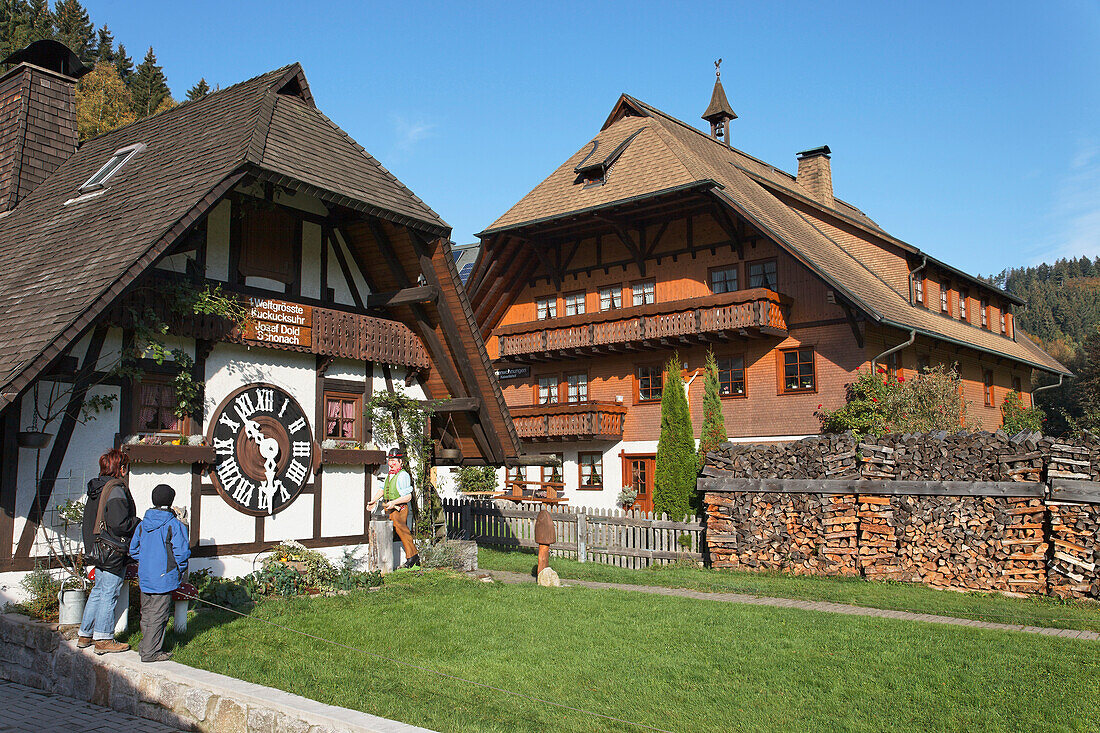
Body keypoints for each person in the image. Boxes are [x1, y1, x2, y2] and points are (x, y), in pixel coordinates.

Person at [77, 448, 139, 654]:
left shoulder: (97, 487)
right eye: (125, 467)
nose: (126, 471)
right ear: (120, 468)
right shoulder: (116, 489)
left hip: (97, 547)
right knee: (109, 593)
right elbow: (119, 523)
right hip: (112, 549)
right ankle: (103, 638)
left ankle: (85, 634)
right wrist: (138, 522)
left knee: (98, 591)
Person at [129, 484, 190, 663]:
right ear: (170, 501)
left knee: (147, 612)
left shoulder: (142, 524)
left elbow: (133, 550)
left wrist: (148, 560)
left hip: (145, 575)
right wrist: (178, 569)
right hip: (164, 576)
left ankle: (145, 646)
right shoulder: (174, 524)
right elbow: (182, 553)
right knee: (159, 614)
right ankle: (151, 652)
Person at [368, 447, 419, 568]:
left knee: (402, 529)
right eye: (390, 460)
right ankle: (411, 557)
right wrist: (374, 501)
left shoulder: (403, 475)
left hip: (398, 508)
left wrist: (394, 502)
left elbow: (407, 497)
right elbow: (382, 489)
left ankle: (412, 556)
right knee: (390, 531)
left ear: (401, 462)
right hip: (389, 507)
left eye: (394, 460)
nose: (391, 463)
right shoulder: (389, 475)